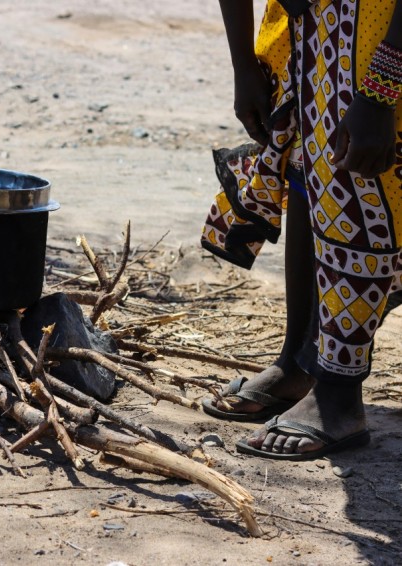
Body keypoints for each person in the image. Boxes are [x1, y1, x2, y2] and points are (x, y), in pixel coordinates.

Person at [200, 0, 402, 460]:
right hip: (303, 33)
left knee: (360, 188)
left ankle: (337, 394)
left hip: (380, 34)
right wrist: (243, 65)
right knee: (307, 174)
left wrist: (378, 93)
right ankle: (299, 361)